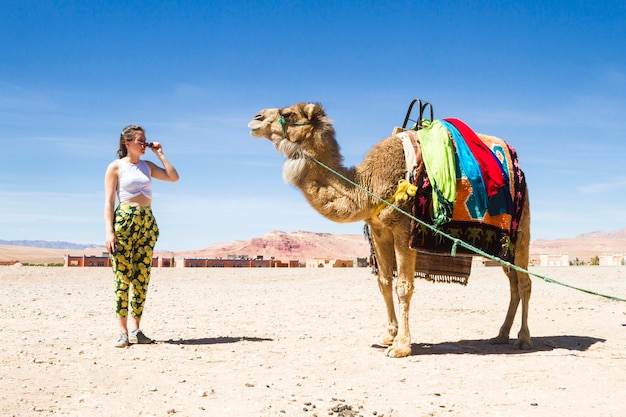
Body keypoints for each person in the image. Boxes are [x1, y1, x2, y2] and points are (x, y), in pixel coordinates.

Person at [104, 125, 179, 348]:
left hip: (146, 222)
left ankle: (137, 330)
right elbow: (108, 202)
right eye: (140, 140)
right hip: (124, 223)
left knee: (142, 277)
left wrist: (160, 153)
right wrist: (109, 231)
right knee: (123, 277)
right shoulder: (116, 167)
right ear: (127, 143)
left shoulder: (147, 166)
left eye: (145, 140)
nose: (144, 144)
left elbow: (173, 177)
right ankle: (122, 332)